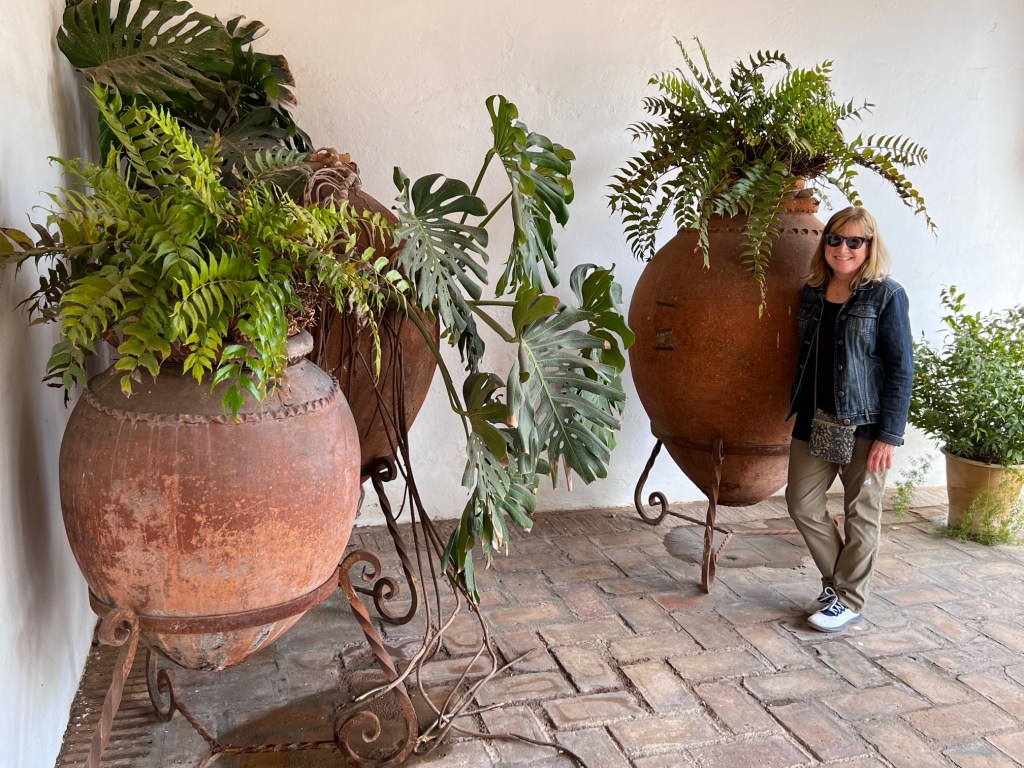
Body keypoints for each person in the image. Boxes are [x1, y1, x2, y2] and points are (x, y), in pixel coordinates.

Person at [785, 206, 913, 633]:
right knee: (801, 503)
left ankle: (850, 600)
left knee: (861, 513)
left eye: (855, 241)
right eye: (835, 239)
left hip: (866, 421)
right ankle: (837, 584)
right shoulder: (812, 292)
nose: (843, 248)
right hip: (814, 417)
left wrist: (889, 434)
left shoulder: (886, 295)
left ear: (869, 246)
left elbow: (901, 368)